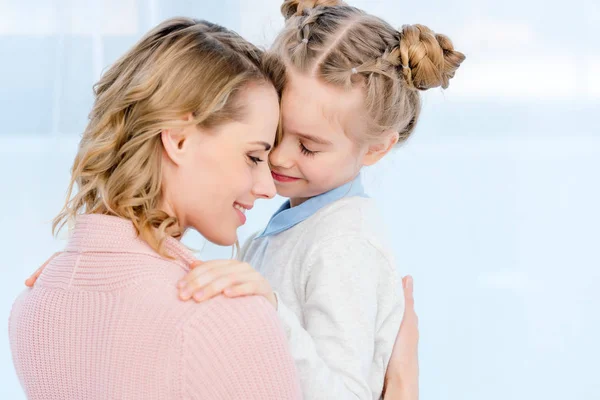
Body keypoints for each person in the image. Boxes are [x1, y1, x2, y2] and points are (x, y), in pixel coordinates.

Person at [175, 1, 464, 399]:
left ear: (376, 149)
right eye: (277, 129)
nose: (278, 157)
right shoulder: (301, 223)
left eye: (308, 147)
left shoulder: (343, 246)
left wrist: (269, 306)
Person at [10, 17, 302, 399]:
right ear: (178, 140)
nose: (268, 187)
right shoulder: (227, 318)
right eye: (252, 156)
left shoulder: (31, 308)